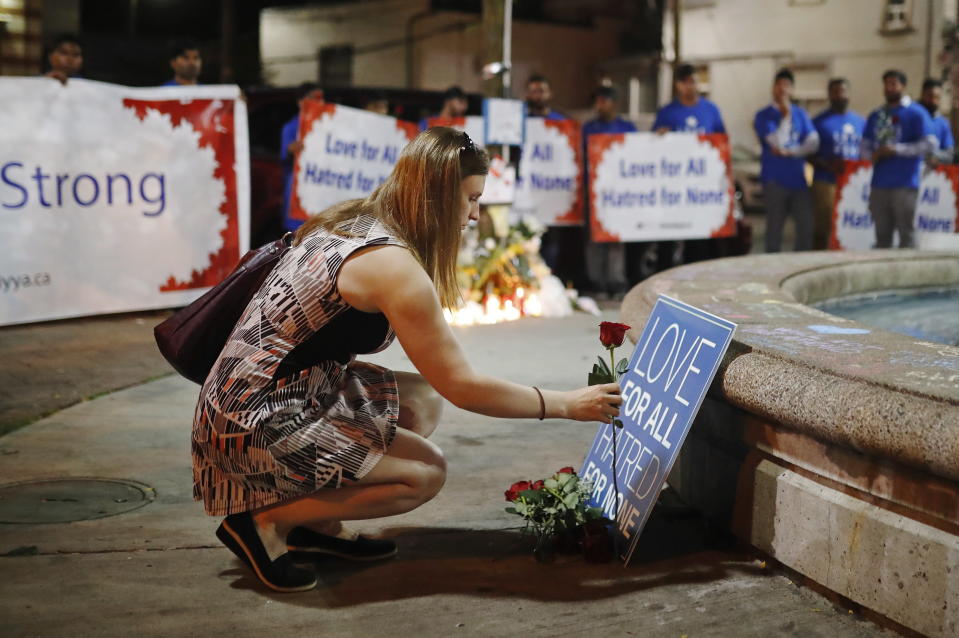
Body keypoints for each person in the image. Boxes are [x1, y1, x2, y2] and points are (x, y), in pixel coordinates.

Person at [193, 127, 622, 592]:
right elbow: (463, 386)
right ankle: (269, 521)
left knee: (420, 401)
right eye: (472, 199)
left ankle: (317, 528)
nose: (476, 215)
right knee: (422, 475)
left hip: (252, 393)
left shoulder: (353, 220)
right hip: (251, 421)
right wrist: (565, 404)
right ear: (437, 197)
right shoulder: (393, 268)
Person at [650, 63, 728, 271]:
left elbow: (721, 143)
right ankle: (663, 279)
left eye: (693, 81)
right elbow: (651, 146)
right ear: (677, 86)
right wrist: (658, 138)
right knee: (668, 235)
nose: (689, 86)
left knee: (698, 238)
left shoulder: (711, 110)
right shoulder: (667, 112)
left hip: (700, 187)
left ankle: (694, 278)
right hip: (674, 186)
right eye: (684, 82)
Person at [862, 69, 935, 248]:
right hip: (879, 184)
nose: (889, 88)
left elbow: (930, 144)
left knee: (906, 235)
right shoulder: (877, 114)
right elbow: (864, 147)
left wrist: (896, 150)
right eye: (886, 84)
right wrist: (874, 154)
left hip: (905, 184)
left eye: (893, 83)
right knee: (882, 236)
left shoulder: (917, 113)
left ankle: (908, 276)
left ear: (903, 86)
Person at [754, 68, 820, 252]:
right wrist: (785, 117)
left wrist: (792, 152)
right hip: (775, 181)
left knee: (805, 227)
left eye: (787, 85)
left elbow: (813, 142)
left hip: (799, 180)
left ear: (792, 89)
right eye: (779, 85)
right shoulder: (764, 115)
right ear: (773, 88)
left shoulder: (801, 113)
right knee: (775, 229)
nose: (782, 89)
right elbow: (777, 143)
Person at [582, 86, 637, 298]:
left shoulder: (627, 128)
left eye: (603, 101)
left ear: (614, 103)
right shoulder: (589, 128)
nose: (599, 105)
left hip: (619, 193)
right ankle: (597, 283)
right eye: (597, 101)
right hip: (594, 191)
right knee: (594, 239)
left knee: (616, 237)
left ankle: (616, 282)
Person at [810, 78, 865, 249]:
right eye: (835, 92)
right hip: (826, 182)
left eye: (843, 91)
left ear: (849, 93)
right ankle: (818, 260)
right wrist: (826, 164)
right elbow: (808, 154)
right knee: (824, 226)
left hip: (853, 184)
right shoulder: (818, 122)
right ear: (829, 95)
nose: (840, 95)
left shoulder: (861, 122)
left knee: (851, 224)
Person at [279, 84, 325, 232]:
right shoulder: (291, 128)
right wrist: (291, 150)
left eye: (321, 98)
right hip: (298, 194)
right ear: (300, 102)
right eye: (314, 98)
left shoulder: (327, 126)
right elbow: (285, 157)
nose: (319, 102)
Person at [918, 78, 954, 165]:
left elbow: (949, 154)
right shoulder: (910, 116)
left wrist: (935, 156)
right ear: (922, 94)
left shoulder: (943, 123)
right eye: (930, 96)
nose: (933, 101)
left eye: (937, 97)